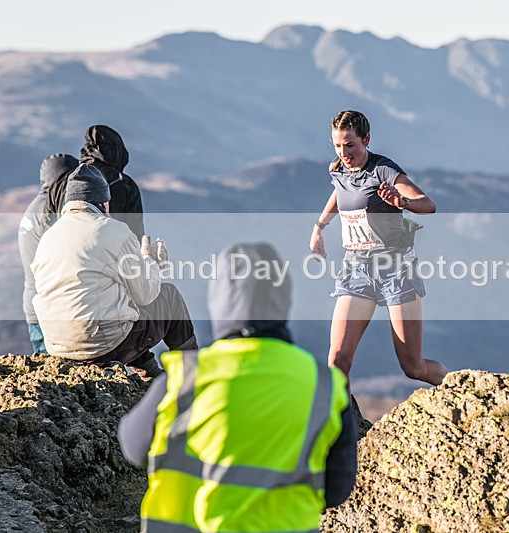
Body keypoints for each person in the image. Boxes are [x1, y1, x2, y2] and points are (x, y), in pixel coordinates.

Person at [119, 242, 357, 532]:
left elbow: (133, 447)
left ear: (220, 299)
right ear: (282, 300)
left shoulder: (186, 378)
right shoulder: (323, 384)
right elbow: (337, 489)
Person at [310, 110, 449, 386]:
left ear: (367, 139)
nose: (344, 152)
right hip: (357, 270)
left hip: (396, 270)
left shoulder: (383, 170)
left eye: (350, 145)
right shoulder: (338, 168)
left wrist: (402, 203)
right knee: (337, 361)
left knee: (413, 367)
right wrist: (319, 227)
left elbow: (428, 204)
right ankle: (342, 428)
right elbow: (340, 193)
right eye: (338, 145)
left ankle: (462, 385)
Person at [32, 163, 197, 379]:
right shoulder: (111, 230)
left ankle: (151, 373)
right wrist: (153, 264)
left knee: (119, 302)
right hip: (101, 347)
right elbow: (146, 294)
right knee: (168, 297)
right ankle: (194, 375)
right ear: (103, 202)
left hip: (58, 346)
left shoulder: (48, 237)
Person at [18, 153, 78, 353]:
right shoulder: (51, 211)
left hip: (34, 307)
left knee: (48, 373)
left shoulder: (34, 208)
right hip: (50, 311)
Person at [45, 124, 144, 238]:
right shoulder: (125, 184)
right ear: (116, 153)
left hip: (63, 251)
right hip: (109, 253)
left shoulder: (61, 181)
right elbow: (135, 234)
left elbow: (47, 226)